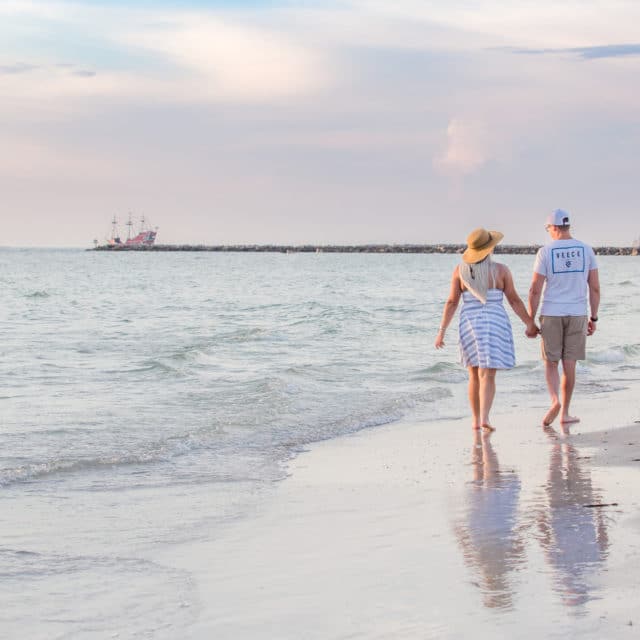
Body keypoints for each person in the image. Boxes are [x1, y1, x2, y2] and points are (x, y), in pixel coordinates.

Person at [435, 227, 538, 430]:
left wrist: (442, 331)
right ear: (490, 248)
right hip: (494, 322)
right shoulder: (500, 271)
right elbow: (515, 301)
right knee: (488, 375)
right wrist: (529, 323)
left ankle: (475, 421)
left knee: (473, 374)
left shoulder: (460, 271)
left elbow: (451, 303)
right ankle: (485, 418)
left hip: (470, 324)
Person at [528, 209, 600, 426]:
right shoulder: (586, 250)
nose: (548, 231)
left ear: (555, 227)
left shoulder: (545, 252)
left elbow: (535, 289)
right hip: (577, 313)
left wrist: (530, 320)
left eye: (548, 228)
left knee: (550, 363)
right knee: (569, 364)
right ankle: (565, 413)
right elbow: (595, 288)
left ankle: (554, 400)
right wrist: (594, 317)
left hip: (551, 313)